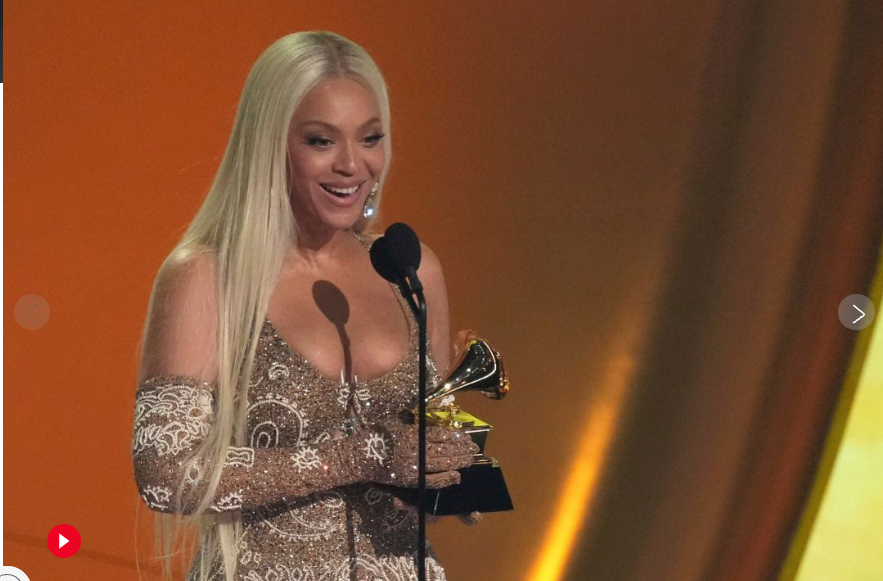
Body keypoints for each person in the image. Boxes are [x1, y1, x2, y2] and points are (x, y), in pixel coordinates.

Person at [131, 31, 480, 581]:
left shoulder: (410, 269)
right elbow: (166, 473)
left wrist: (453, 474)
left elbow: (430, 440)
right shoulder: (208, 276)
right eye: (321, 141)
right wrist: (362, 456)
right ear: (270, 144)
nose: (352, 165)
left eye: (371, 138)